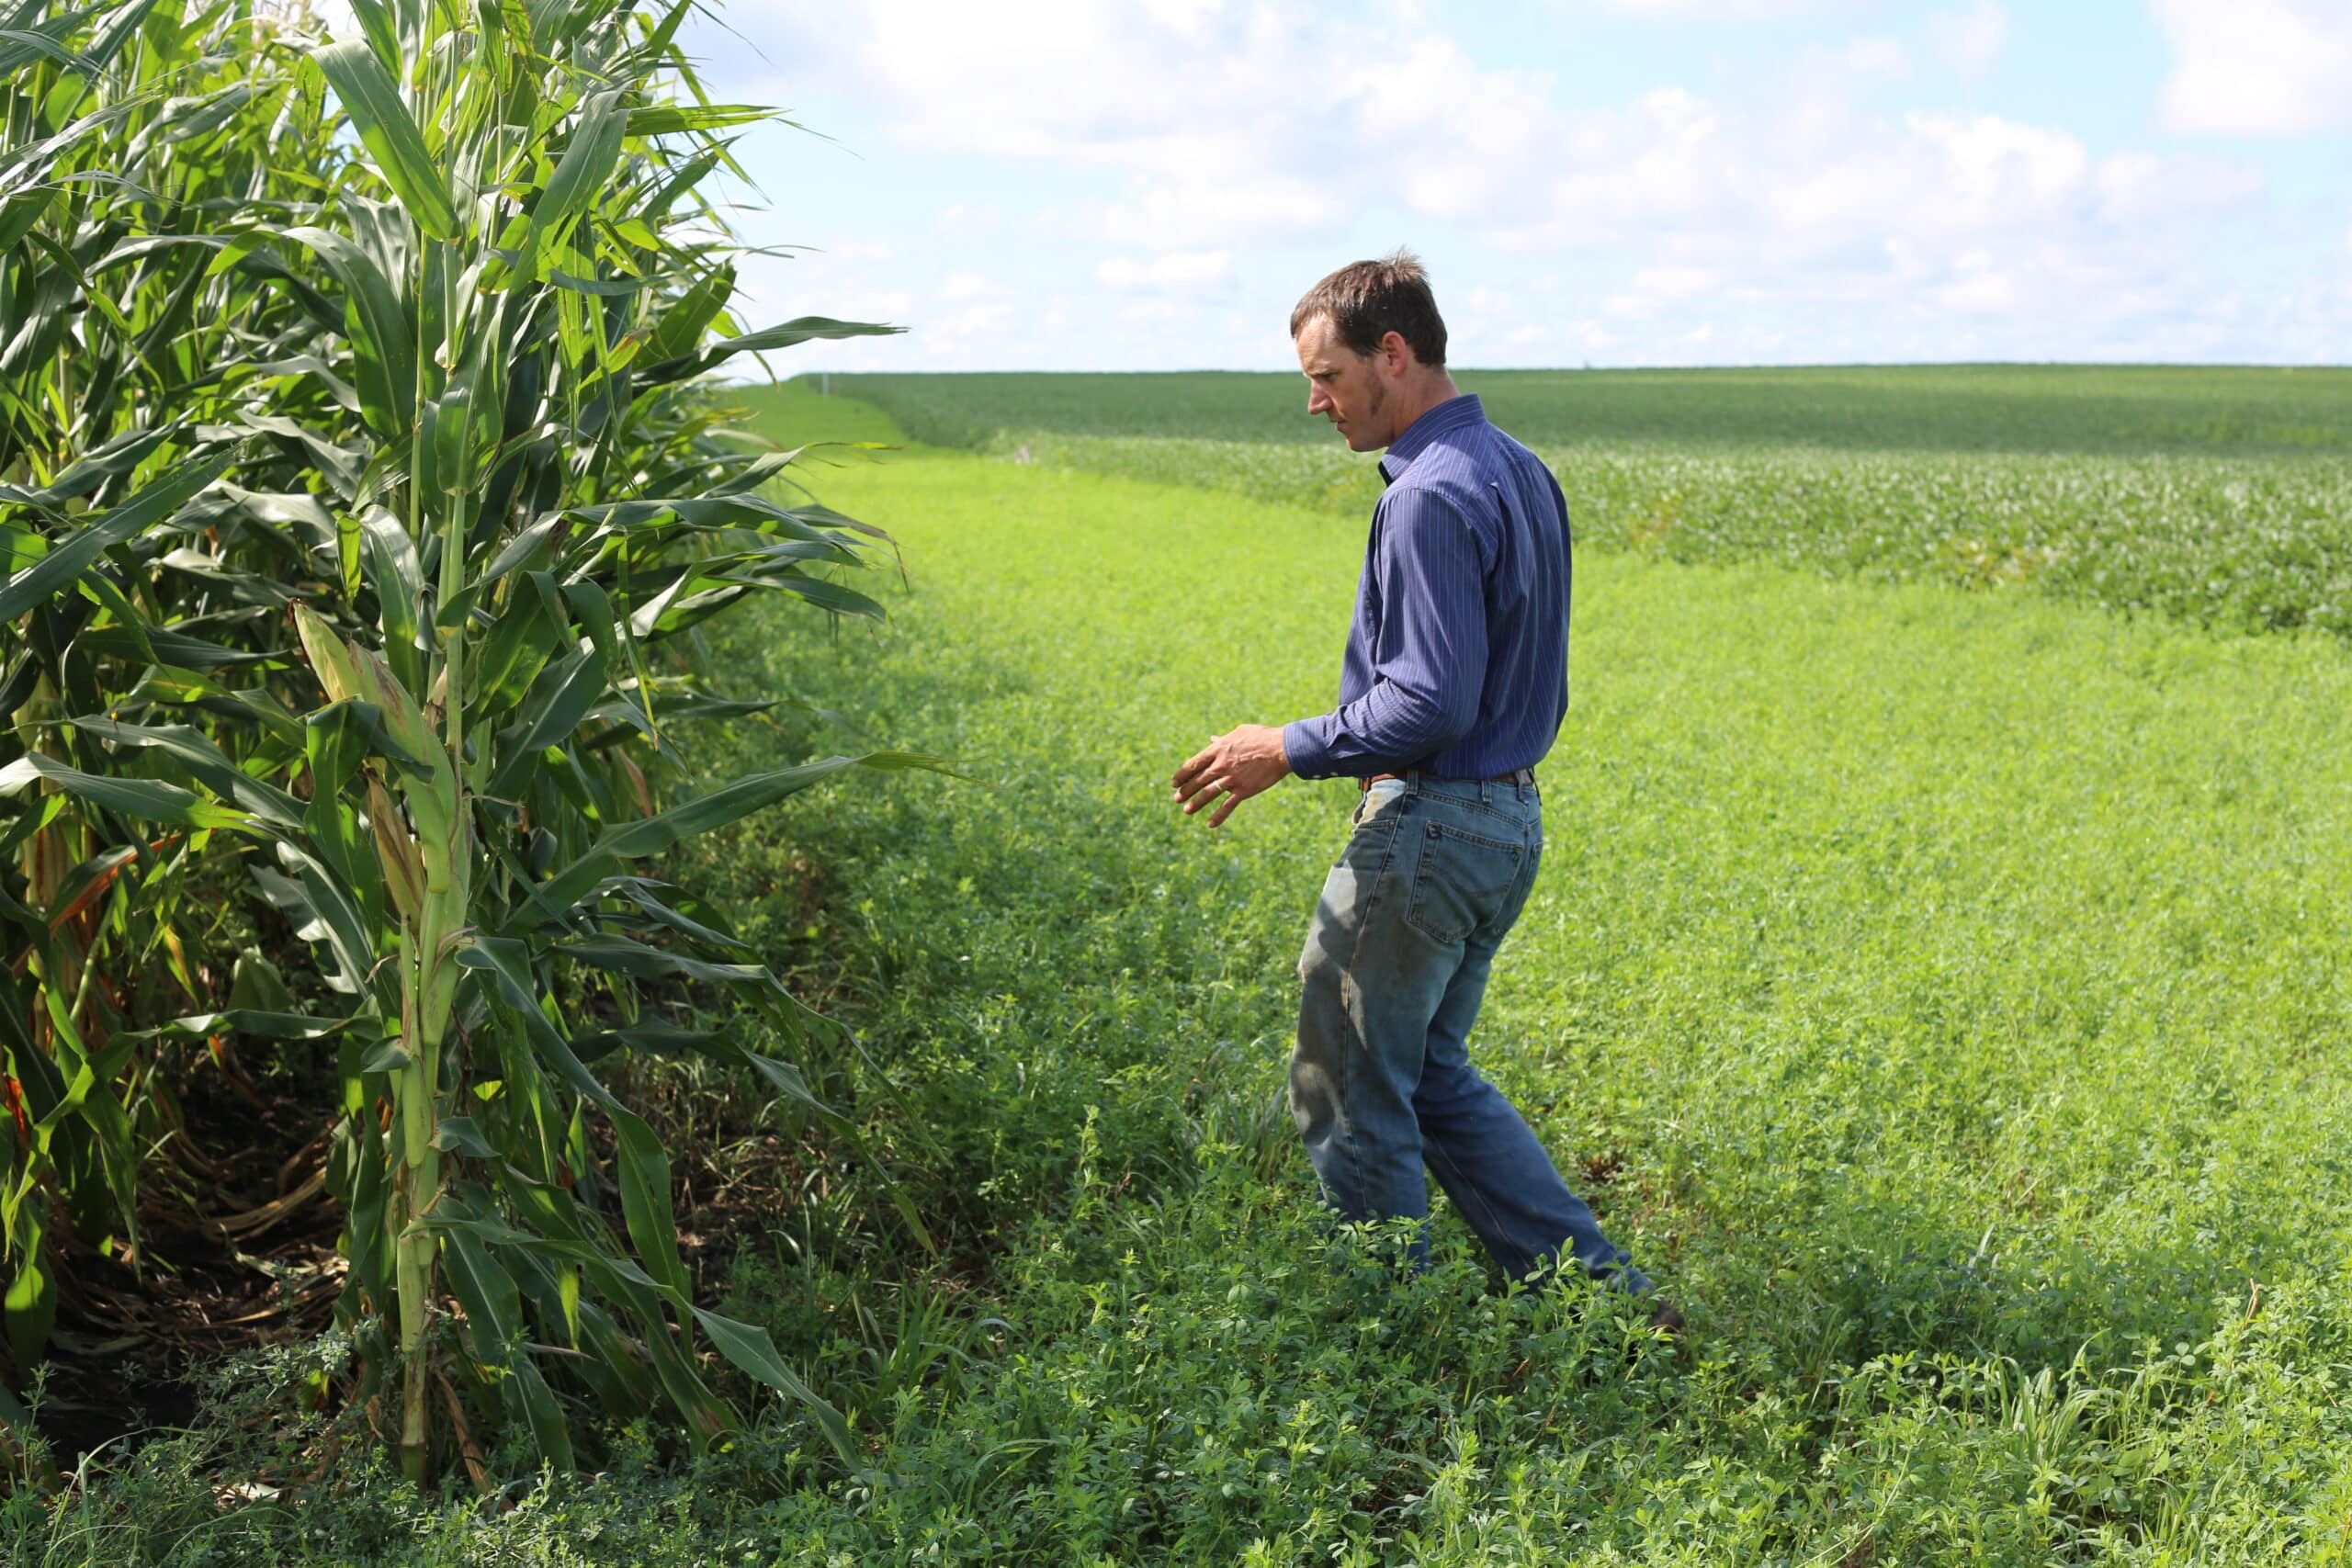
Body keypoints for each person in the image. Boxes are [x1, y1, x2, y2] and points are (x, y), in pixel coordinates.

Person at [1169, 252, 1671, 1322]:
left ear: (1392, 354)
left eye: (1328, 376)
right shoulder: (1518, 468)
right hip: (1504, 822)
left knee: (1343, 1078)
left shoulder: (1429, 497)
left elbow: (1430, 703)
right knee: (1429, 1073)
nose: (1316, 402)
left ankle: (1393, 1333)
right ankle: (1604, 1304)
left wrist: (1286, 746)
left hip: (1432, 830)